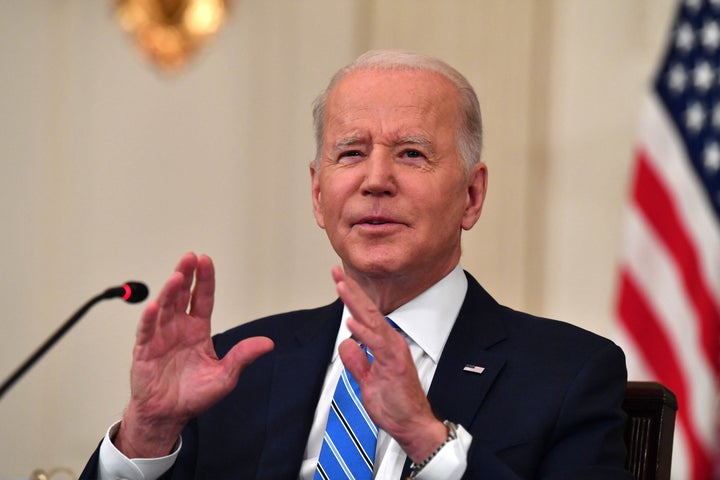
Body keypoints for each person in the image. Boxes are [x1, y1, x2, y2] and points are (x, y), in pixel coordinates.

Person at [80, 50, 633, 479]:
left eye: (411, 153)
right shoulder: (235, 369)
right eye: (350, 153)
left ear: (471, 195)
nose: (375, 180)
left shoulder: (568, 374)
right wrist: (146, 436)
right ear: (319, 195)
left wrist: (427, 439)